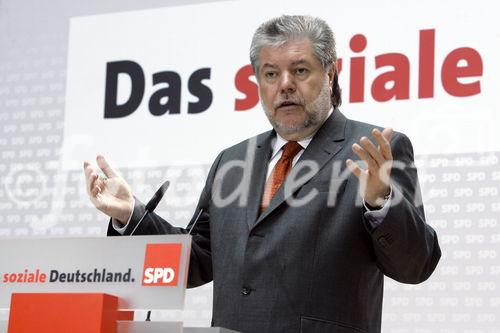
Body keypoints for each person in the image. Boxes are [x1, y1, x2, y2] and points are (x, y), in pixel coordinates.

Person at [84, 15, 440, 333]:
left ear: (330, 74)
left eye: (300, 70)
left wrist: (380, 201)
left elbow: (417, 265)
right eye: (271, 74)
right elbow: (195, 260)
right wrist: (130, 213)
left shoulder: (374, 151)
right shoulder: (232, 161)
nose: (284, 84)